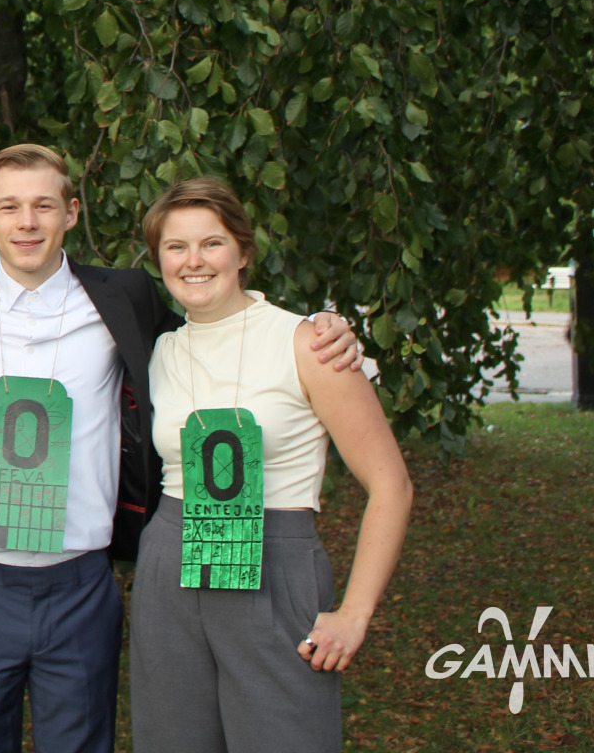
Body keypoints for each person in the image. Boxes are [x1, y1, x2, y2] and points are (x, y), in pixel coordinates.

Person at [0, 145, 360, 753]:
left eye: (44, 205)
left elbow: (218, 333)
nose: (27, 222)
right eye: (10, 207)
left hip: (81, 588)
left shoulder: (123, 297)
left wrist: (324, 330)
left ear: (72, 212)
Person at [129, 177, 412, 753]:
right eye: (176, 246)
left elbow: (392, 486)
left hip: (274, 562)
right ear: (159, 260)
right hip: (170, 564)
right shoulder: (159, 350)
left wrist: (355, 613)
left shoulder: (308, 343)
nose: (193, 261)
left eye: (212, 243)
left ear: (244, 252)